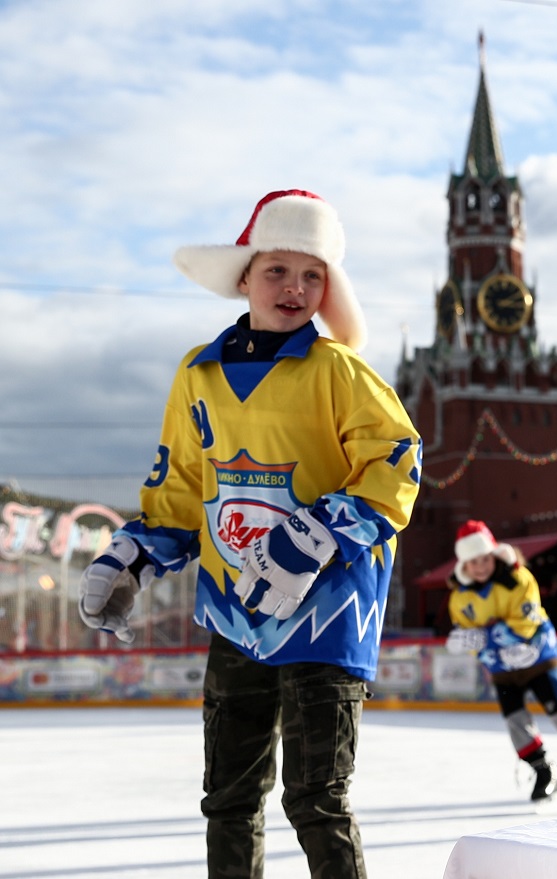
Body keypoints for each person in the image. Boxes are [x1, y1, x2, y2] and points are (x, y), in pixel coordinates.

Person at [76, 190, 421, 878]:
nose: (295, 288)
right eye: (277, 271)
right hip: (236, 616)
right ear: (244, 277)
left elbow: (397, 462)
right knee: (229, 798)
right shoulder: (196, 372)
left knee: (315, 798)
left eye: (312, 274)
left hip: (326, 618)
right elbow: (180, 486)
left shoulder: (339, 371)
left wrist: (314, 535)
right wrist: (136, 556)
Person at [445, 520, 557, 807]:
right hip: (501, 667)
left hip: (538, 655)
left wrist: (487, 636)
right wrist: (481, 646)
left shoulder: (518, 578)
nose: (481, 566)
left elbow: (526, 620)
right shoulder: (460, 597)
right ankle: (542, 770)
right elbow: (467, 633)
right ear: (464, 565)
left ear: (495, 555)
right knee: (515, 719)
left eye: (485, 558)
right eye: (473, 562)